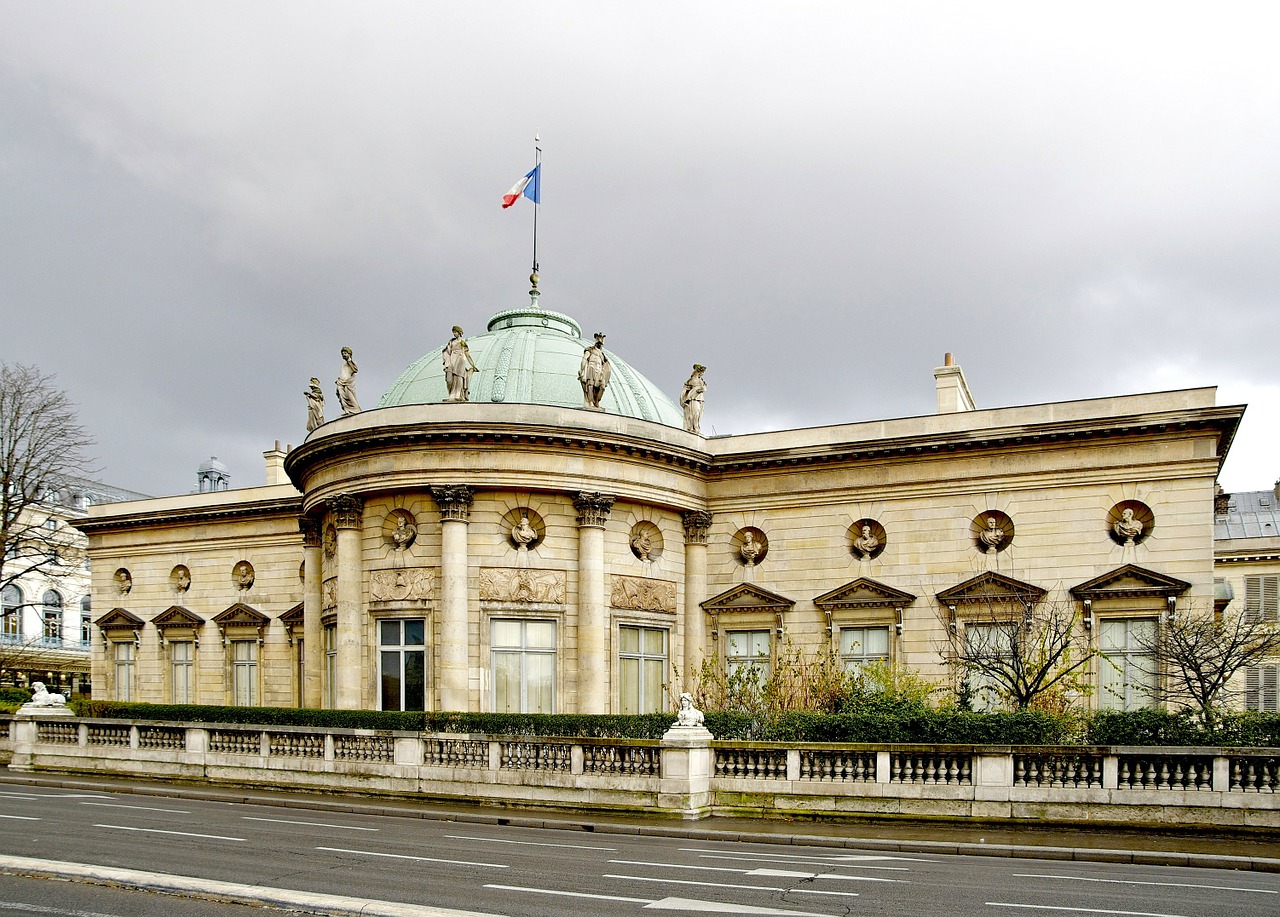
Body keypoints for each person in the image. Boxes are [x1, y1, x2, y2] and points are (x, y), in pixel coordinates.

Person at [442, 326, 478, 403]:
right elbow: (447, 352)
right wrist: (447, 362)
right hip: (452, 360)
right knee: (449, 380)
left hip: (460, 360)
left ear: (459, 332)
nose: (454, 334)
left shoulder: (462, 343)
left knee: (459, 377)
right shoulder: (451, 341)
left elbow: (467, 355)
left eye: (455, 332)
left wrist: (473, 365)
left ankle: (458, 395)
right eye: (453, 332)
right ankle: (451, 394)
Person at [579, 333, 611, 410]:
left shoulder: (602, 355)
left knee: (602, 387)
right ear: (596, 342)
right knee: (590, 385)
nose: (600, 345)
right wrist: (582, 370)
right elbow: (584, 359)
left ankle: (596, 400)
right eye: (599, 343)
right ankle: (590, 402)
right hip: (591, 368)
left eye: (601, 344)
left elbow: (606, 365)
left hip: (599, 371)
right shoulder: (590, 350)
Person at [680, 364, 707, 434]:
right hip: (693, 398)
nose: (702, 374)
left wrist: (703, 389)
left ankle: (696, 428)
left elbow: (704, 388)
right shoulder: (691, 380)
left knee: (699, 415)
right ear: (698, 372)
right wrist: (683, 399)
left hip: (700, 399)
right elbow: (685, 389)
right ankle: (692, 428)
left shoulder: (701, 381)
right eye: (702, 372)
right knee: (695, 413)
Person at [336, 347, 361, 415]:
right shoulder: (343, 364)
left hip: (348, 383)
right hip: (341, 382)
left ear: (349, 354)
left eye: (345, 353)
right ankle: (347, 411)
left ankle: (355, 410)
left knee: (350, 397)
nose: (343, 355)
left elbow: (355, 370)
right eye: (342, 354)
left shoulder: (352, 362)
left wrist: (349, 361)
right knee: (342, 397)